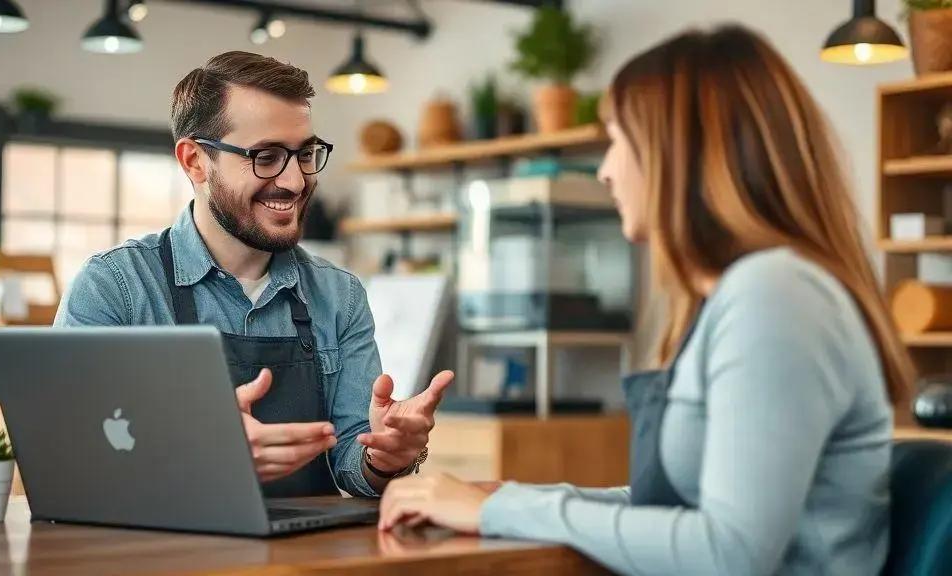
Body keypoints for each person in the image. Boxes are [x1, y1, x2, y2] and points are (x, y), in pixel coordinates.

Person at [377, 25, 914, 575]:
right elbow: (679, 512)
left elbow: (729, 552)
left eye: (617, 140)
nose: (606, 171)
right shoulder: (740, 298)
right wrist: (507, 500)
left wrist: (505, 507)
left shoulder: (775, 295)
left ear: (681, 154)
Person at [55, 52, 453, 498]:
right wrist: (204, 452)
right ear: (194, 161)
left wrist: (384, 457)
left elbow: (353, 463)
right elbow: (66, 459)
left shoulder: (340, 296)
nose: (296, 182)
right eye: (266, 156)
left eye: (304, 154)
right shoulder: (116, 288)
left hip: (299, 563)